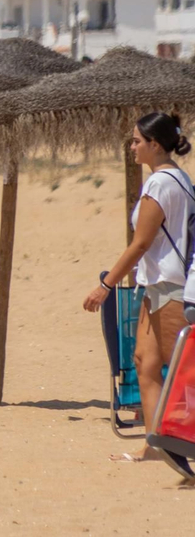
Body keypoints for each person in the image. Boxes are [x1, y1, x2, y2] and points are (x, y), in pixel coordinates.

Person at [85, 112, 195, 461]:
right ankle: (154, 444)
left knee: (182, 369)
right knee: (145, 363)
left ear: (155, 145)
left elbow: (141, 243)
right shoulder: (179, 178)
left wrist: (106, 284)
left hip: (171, 285)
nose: (131, 146)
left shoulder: (161, 183)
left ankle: (180, 442)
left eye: (136, 141)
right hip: (155, 286)